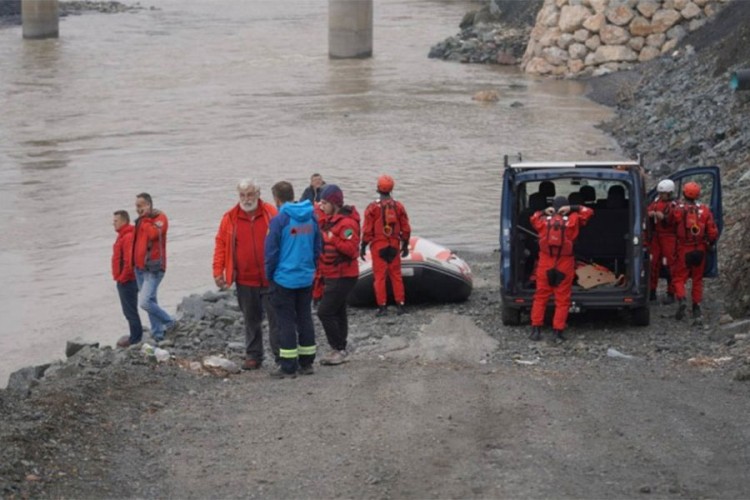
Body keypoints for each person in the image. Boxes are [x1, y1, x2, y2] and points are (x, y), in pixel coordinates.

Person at [213, 179, 280, 370]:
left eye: (250, 194)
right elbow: (221, 245)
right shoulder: (230, 218)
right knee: (251, 319)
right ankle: (254, 355)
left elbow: (283, 240)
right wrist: (218, 271)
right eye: (242, 195)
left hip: (271, 277)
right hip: (244, 279)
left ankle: (280, 355)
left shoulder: (271, 213)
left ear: (258, 194)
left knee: (276, 318)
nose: (246, 199)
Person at [265, 181, 321, 378]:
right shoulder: (311, 217)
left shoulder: (279, 221)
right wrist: (310, 268)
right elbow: (317, 247)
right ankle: (307, 362)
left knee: (285, 321)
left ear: (277, 199)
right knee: (305, 317)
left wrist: (269, 276)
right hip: (306, 277)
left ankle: (289, 365)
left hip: (284, 279)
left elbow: (271, 253)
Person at [529, 196, 594, 342]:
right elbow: (589, 212)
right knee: (562, 299)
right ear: (566, 207)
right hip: (565, 263)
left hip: (545, 262)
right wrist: (574, 208)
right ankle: (558, 332)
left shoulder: (543, 221)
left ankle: (536, 330)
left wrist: (543, 211)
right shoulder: (574, 219)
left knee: (540, 297)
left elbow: (532, 218)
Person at [315, 184, 360, 366]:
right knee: (338, 310)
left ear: (334, 203)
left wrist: (333, 238)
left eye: (325, 202)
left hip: (343, 274)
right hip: (332, 273)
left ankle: (337, 348)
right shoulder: (331, 221)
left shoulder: (347, 225)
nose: (321, 206)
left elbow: (351, 249)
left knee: (324, 312)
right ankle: (341, 347)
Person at [361, 174, 411, 316]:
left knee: (380, 277)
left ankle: (382, 306)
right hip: (394, 245)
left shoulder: (372, 208)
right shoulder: (398, 206)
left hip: (379, 246)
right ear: (391, 189)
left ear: (378, 188)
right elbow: (406, 228)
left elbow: (367, 230)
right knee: (396, 275)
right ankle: (400, 304)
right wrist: (405, 244)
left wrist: (363, 246)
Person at [670, 181, 719, 322]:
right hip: (700, 249)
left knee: (679, 278)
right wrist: (710, 243)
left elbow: (670, 224)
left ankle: (681, 298)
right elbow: (712, 232)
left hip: (684, 248)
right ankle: (696, 306)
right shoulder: (704, 210)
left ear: (684, 193)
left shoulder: (678, 209)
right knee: (697, 279)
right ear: (698, 195)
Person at [132, 192, 174, 342]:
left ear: (148, 205)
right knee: (151, 301)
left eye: (140, 206)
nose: (137, 209)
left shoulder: (160, 218)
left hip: (153, 268)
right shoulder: (140, 221)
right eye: (136, 206)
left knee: (145, 302)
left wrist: (146, 219)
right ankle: (158, 333)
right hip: (139, 268)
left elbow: (153, 235)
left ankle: (170, 322)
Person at [113, 210, 144, 348]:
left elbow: (128, 261)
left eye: (116, 221)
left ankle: (135, 339)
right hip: (126, 279)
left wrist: (122, 278)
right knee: (129, 310)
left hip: (127, 280)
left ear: (124, 221)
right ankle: (135, 336)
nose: (113, 223)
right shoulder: (123, 236)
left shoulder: (127, 237)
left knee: (130, 311)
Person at [647, 179, 678, 304]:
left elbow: (677, 220)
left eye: (663, 194)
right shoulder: (655, 203)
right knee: (652, 263)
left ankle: (671, 292)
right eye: (659, 194)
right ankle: (651, 291)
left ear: (669, 193)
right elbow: (647, 211)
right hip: (656, 237)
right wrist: (649, 214)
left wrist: (664, 217)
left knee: (670, 265)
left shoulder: (675, 205)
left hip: (669, 237)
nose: (660, 196)